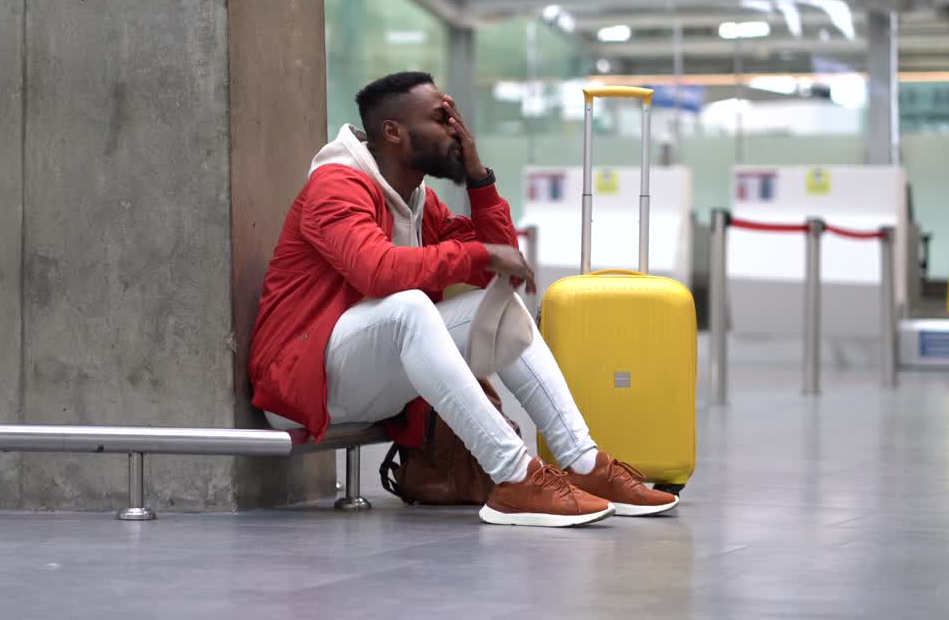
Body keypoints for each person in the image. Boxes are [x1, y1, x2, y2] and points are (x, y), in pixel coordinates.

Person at [249, 71, 678, 527]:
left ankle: (585, 463)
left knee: (497, 307)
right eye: (442, 118)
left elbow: (500, 266)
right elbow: (375, 271)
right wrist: (479, 252)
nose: (457, 129)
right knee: (409, 307)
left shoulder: (419, 201)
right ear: (393, 131)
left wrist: (479, 178)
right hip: (304, 382)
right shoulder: (336, 185)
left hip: (365, 379)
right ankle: (515, 478)